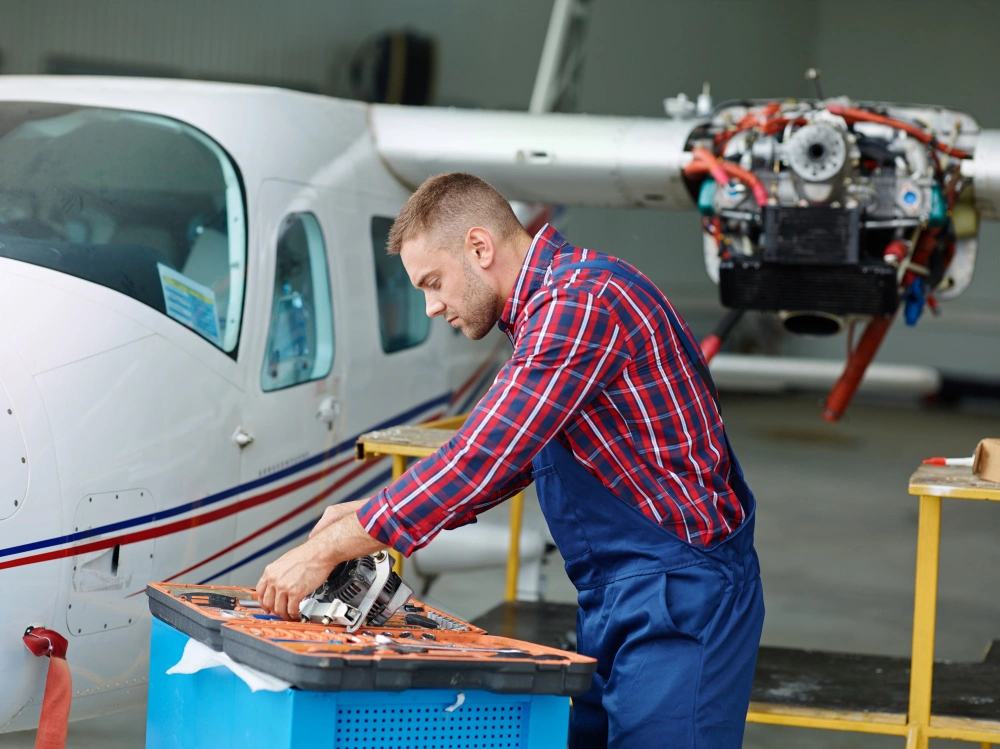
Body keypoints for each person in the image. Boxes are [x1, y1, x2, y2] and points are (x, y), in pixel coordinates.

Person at [256, 172, 765, 748]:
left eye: (433, 282)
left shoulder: (580, 304)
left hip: (681, 593)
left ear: (479, 247)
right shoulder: (547, 310)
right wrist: (362, 514)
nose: (430, 307)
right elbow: (514, 450)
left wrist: (330, 547)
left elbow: (483, 456)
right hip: (619, 592)